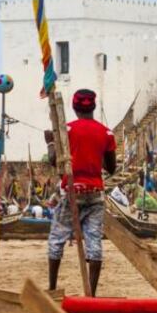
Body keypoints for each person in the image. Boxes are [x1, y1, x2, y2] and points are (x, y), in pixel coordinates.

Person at [46, 88, 117, 294]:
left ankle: (52, 288)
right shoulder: (106, 133)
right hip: (95, 192)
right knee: (94, 242)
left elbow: (53, 160)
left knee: (57, 239)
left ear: (74, 107)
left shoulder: (65, 130)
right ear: (93, 107)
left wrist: (51, 141)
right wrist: (94, 154)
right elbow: (111, 168)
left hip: (72, 190)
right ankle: (92, 294)